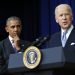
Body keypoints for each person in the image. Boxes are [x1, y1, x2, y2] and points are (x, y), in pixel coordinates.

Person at [47, 4, 75, 75]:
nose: (64, 18)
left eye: (66, 14)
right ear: (56, 19)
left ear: (72, 17)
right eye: (61, 15)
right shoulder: (52, 39)